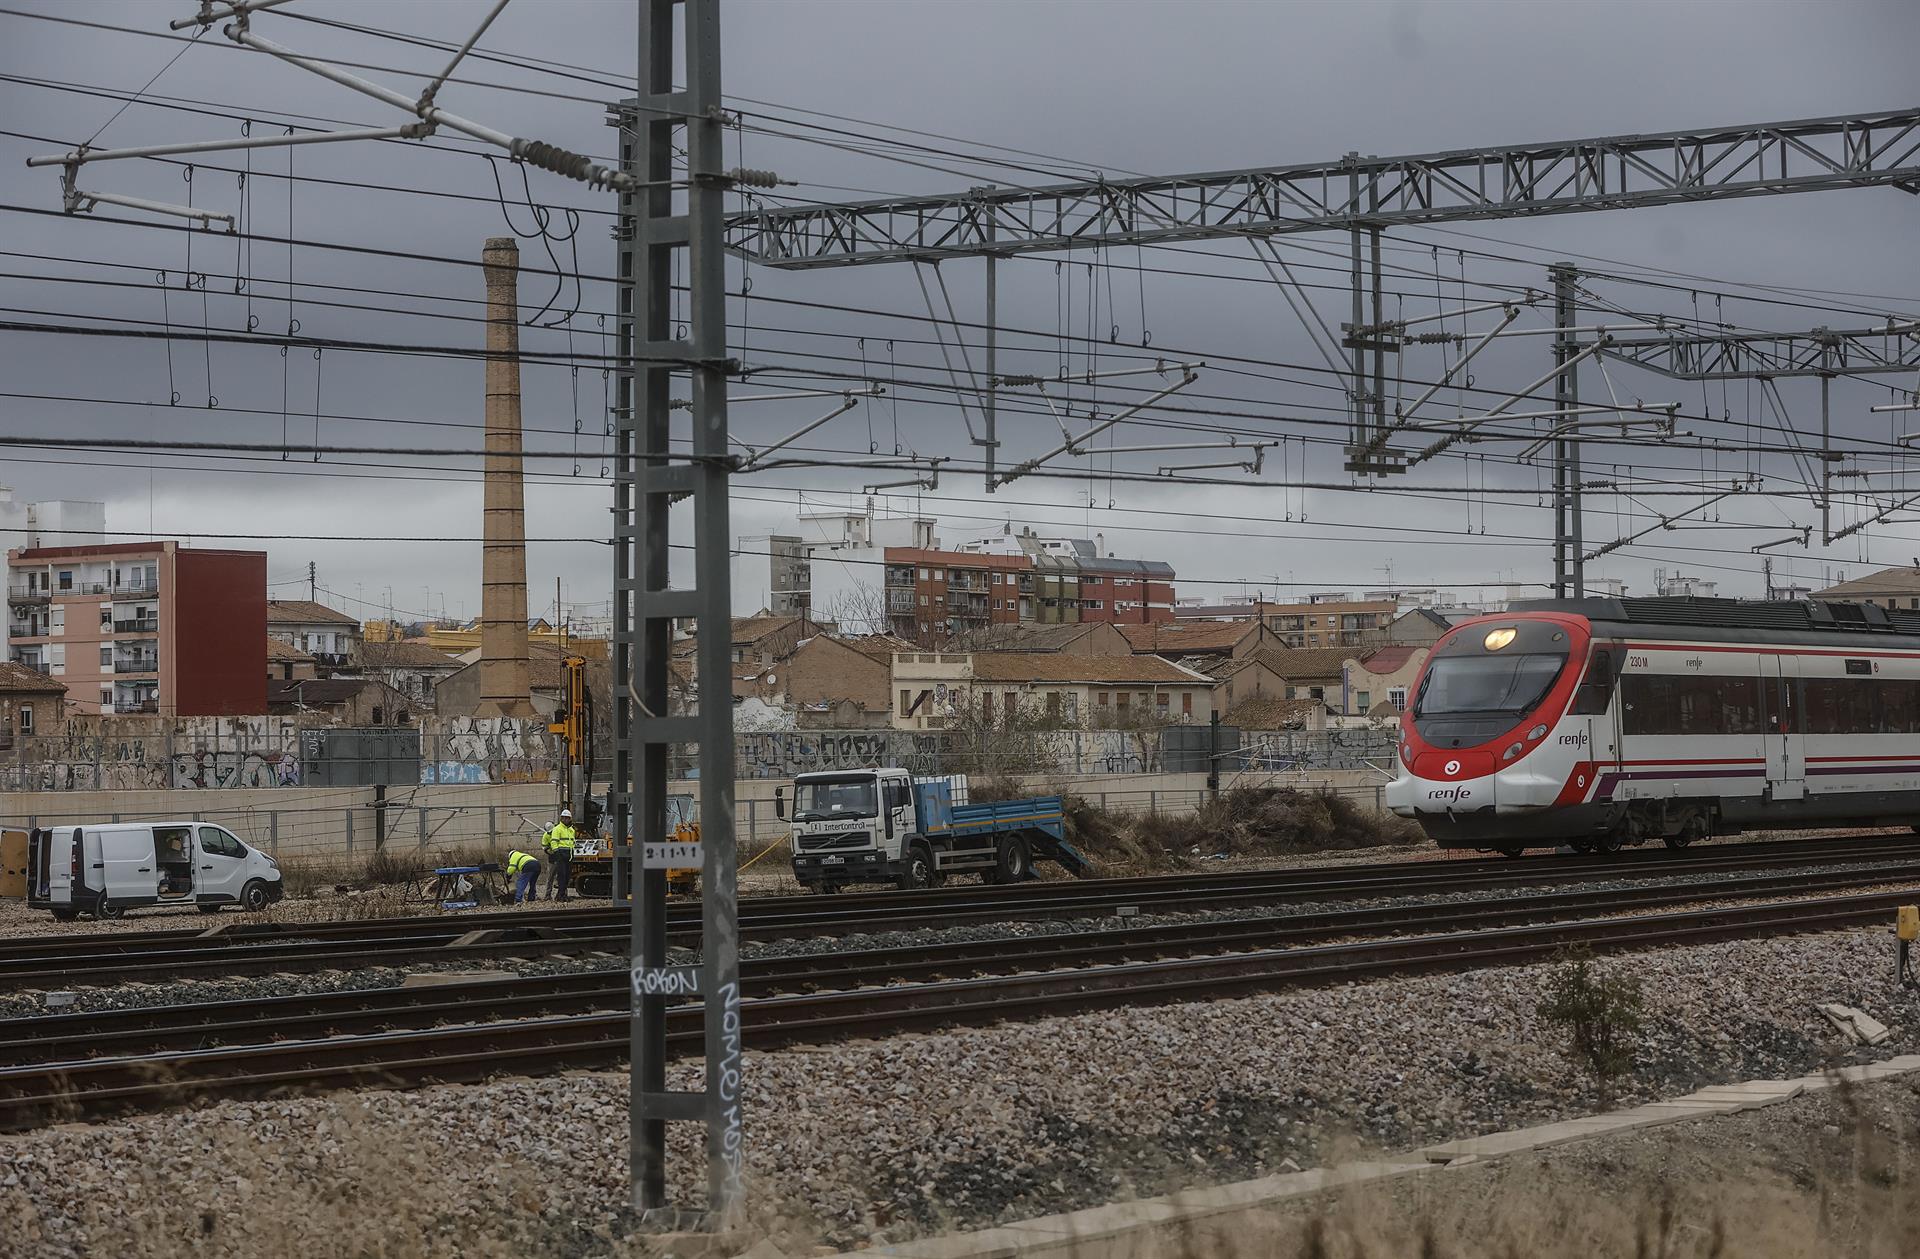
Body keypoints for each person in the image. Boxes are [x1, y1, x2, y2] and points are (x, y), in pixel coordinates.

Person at [542, 808, 578, 902]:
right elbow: (554, 842)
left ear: (570, 819)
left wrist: (572, 853)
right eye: (564, 818)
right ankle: (560, 896)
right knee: (561, 876)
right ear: (561, 818)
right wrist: (557, 853)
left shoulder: (571, 830)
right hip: (561, 855)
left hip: (569, 855)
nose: (566, 819)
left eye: (567, 818)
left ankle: (561, 895)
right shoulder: (557, 829)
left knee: (567, 877)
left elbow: (572, 842)